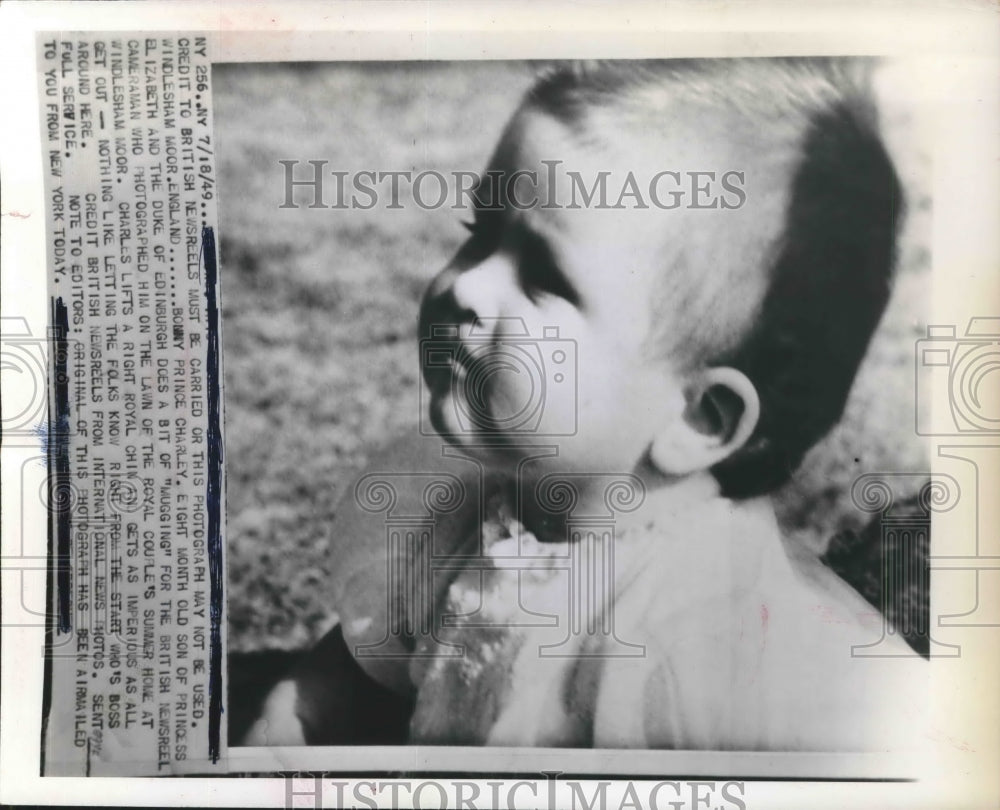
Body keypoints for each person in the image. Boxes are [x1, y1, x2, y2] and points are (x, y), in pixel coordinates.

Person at [244, 58, 924, 750]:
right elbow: (392, 643)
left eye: (544, 277)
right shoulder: (466, 509)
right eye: (479, 232)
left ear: (698, 420)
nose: (467, 288)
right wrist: (312, 705)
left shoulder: (692, 660)